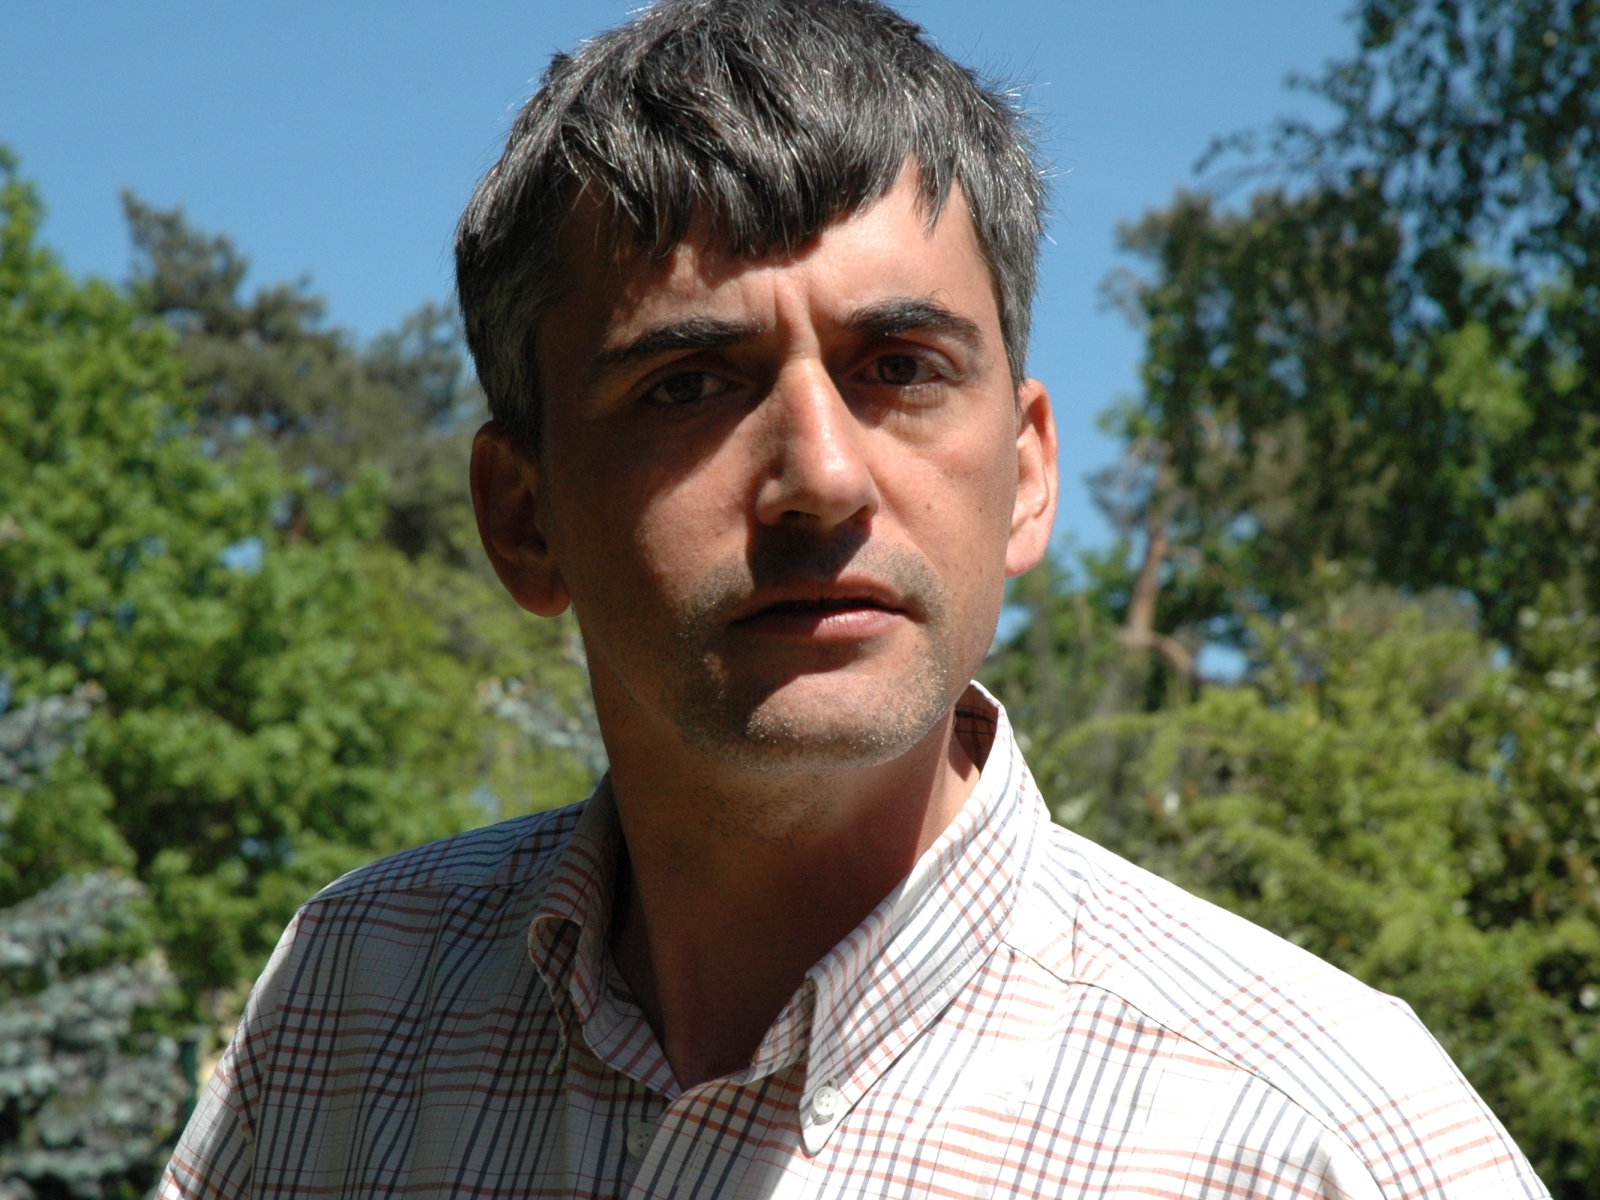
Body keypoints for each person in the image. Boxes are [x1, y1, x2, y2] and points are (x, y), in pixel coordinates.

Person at [161, 1, 1547, 1197]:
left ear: (1025, 475)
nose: (820, 480)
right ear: (523, 519)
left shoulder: (1313, 1135)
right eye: (688, 385)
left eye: (900, 368)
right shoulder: (350, 1002)